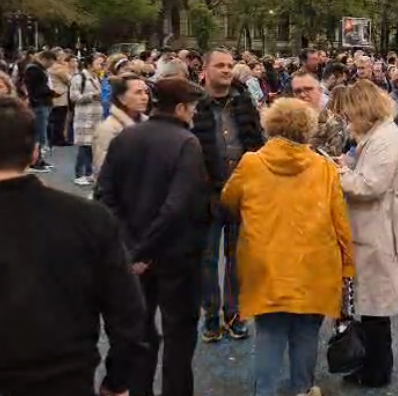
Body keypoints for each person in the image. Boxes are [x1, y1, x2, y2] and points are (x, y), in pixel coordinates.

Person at [0, 96, 145, 396]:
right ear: (33, 151)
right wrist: (117, 380)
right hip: (64, 377)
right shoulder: (87, 218)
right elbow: (127, 313)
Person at [221, 98, 356, 396]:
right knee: (306, 335)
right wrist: (347, 267)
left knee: (269, 335)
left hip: (266, 266)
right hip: (315, 265)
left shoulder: (251, 163)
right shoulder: (324, 167)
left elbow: (228, 200)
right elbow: (340, 224)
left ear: (270, 124)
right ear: (307, 129)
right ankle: (302, 390)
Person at [96, 78, 209, 396]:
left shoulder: (125, 138)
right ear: (181, 108)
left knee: (140, 333)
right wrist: (144, 250)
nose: (194, 114)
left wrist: (131, 249)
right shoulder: (187, 143)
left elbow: (105, 196)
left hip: (132, 256)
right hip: (176, 256)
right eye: (193, 108)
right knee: (179, 338)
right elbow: (177, 206)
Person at [336, 80, 398, 387]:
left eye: (350, 113)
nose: (348, 119)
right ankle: (374, 366)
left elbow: (369, 185)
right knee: (374, 306)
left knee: (376, 307)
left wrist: (340, 173)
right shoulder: (380, 134)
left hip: (378, 228)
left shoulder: (384, 138)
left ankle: (376, 371)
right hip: (376, 226)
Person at [192, 49, 265, 343]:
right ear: (205, 70)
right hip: (204, 194)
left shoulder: (244, 100)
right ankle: (211, 316)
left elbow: (257, 142)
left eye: (229, 65)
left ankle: (234, 314)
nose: (226, 70)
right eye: (219, 65)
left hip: (241, 192)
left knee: (237, 259)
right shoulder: (193, 104)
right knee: (206, 259)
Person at [93, 73, 150, 175]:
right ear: (121, 98)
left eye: (146, 92)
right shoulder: (109, 129)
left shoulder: (149, 124)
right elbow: (103, 170)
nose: (144, 97)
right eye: (138, 93)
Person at [70, 55, 103, 186]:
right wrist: (91, 96)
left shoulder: (97, 77)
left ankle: (89, 173)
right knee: (84, 145)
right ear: (90, 64)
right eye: (99, 63)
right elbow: (74, 96)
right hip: (84, 116)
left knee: (92, 146)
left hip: (96, 116)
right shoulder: (79, 78)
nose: (101, 66)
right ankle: (79, 174)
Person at [23, 50, 57, 172]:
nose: (51, 66)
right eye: (50, 62)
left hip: (43, 103)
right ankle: (35, 161)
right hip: (39, 104)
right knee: (39, 134)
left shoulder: (39, 69)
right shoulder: (34, 70)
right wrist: (50, 92)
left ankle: (40, 159)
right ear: (45, 59)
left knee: (43, 133)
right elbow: (35, 89)